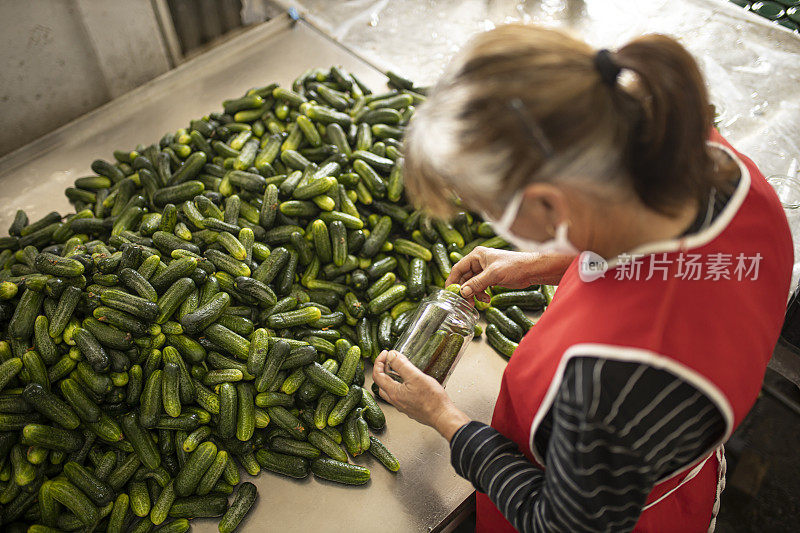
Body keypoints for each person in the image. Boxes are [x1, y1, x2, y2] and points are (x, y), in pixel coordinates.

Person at [372, 24, 792, 532]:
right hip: (666, 454)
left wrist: (446, 418)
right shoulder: (717, 170)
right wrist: (548, 260)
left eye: (483, 207)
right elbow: (664, 259)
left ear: (550, 203)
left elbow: (558, 523)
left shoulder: (612, 380)